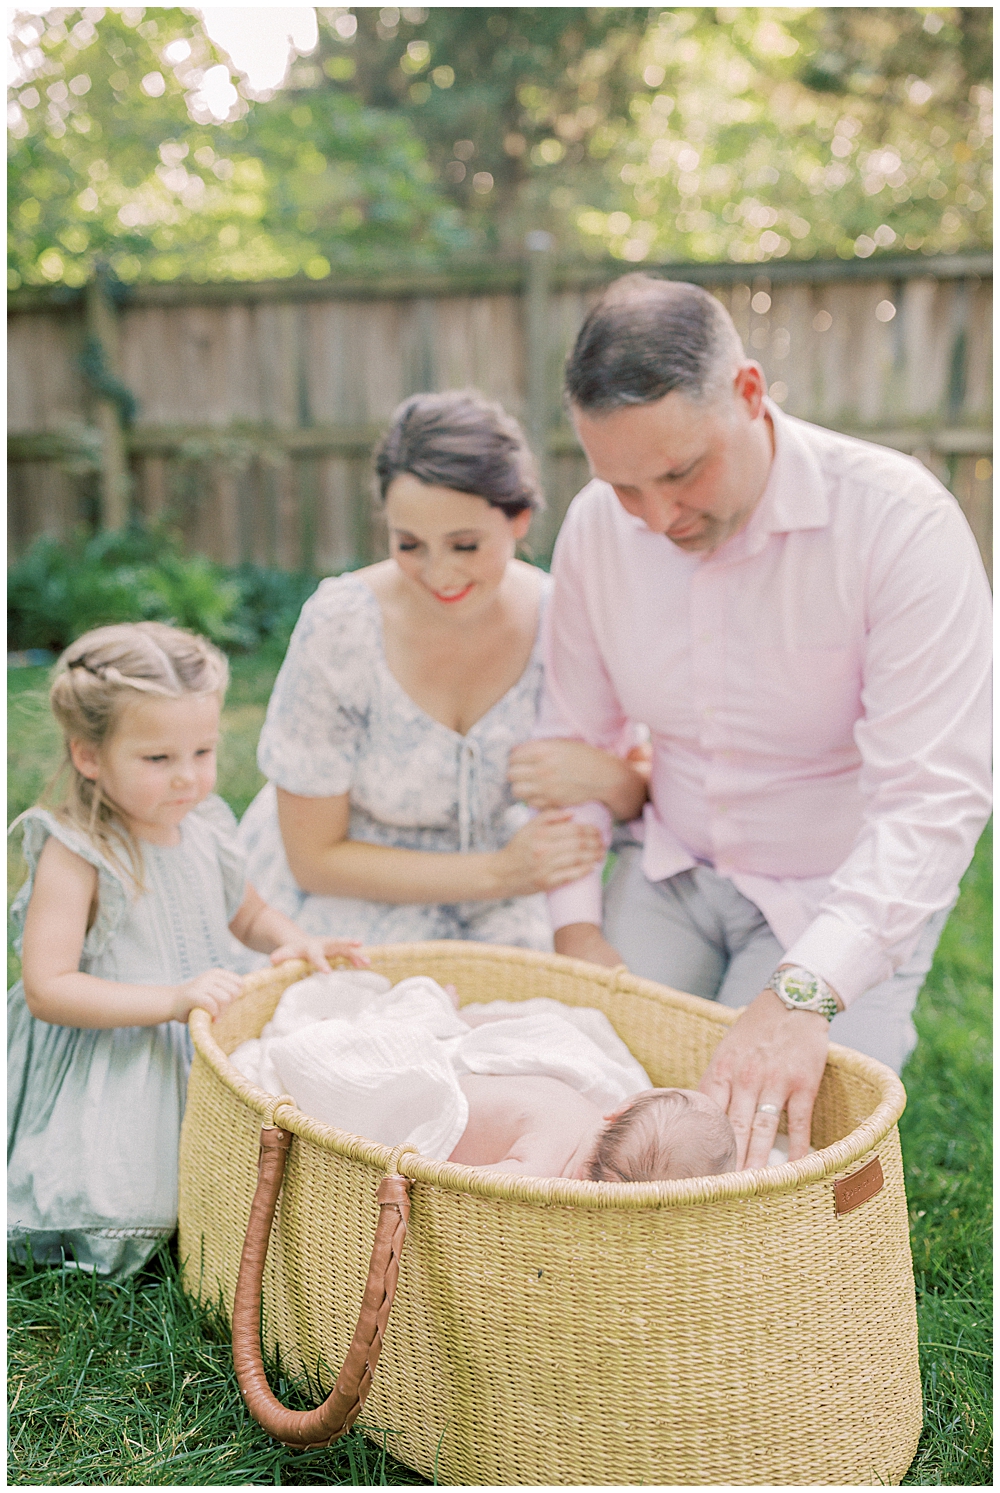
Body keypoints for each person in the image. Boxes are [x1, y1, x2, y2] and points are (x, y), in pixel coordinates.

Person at [523, 274, 991, 1171]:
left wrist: (805, 992)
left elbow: (934, 801)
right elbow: (576, 742)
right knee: (578, 1113)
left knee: (744, 1166)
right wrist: (577, 932)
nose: (657, 518)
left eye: (681, 472)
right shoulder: (594, 528)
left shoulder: (899, 523)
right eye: (624, 486)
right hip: (669, 872)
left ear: (748, 392)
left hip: (836, 894)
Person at [7, 621, 369, 1279]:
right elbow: (48, 986)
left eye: (201, 752)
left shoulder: (204, 828)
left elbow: (249, 910)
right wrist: (172, 998)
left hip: (198, 1036)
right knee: (142, 1199)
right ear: (89, 755)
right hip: (114, 1058)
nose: (187, 778)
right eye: (157, 759)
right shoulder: (78, 851)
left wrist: (294, 939)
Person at [239, 390, 648, 949]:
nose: (439, 574)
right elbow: (313, 859)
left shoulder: (564, 622)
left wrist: (606, 777)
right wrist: (498, 874)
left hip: (501, 915)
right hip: (343, 907)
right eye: (409, 545)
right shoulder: (340, 629)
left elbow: (645, 793)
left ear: (519, 519)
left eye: (464, 545)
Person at [450, 1077, 737, 1181]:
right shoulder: (544, 1167)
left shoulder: (587, 1111)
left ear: (618, 1111)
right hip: (442, 1106)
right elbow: (457, 1184)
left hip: (471, 1080)